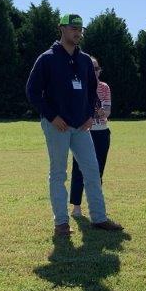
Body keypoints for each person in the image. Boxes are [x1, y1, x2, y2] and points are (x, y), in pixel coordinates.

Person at [26, 14, 123, 238]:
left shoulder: (85, 60)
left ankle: (99, 218)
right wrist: (52, 116)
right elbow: (32, 92)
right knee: (59, 173)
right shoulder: (47, 59)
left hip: (81, 126)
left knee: (92, 170)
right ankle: (61, 222)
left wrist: (89, 114)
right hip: (57, 125)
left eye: (80, 28)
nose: (78, 32)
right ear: (61, 29)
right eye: (73, 28)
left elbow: (92, 91)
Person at [69, 55, 111, 218]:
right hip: (82, 132)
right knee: (78, 169)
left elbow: (107, 111)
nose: (94, 72)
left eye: (96, 68)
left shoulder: (104, 87)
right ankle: (76, 207)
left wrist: (99, 111)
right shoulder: (79, 85)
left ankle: (97, 207)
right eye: (91, 68)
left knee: (98, 171)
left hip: (101, 132)